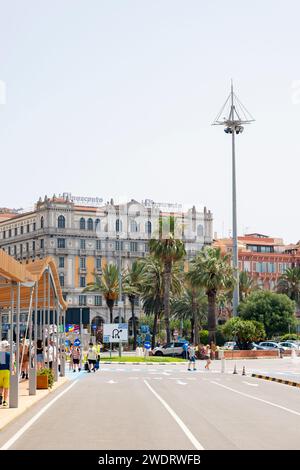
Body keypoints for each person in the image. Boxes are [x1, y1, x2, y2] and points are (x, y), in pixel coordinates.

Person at [0, 340, 11, 407]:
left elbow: (2, 363)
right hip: (7, 371)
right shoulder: (8, 354)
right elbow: (11, 364)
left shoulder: (1, 354)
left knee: (0, 386)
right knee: (6, 387)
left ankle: (0, 396)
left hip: (0, 371)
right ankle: (5, 401)